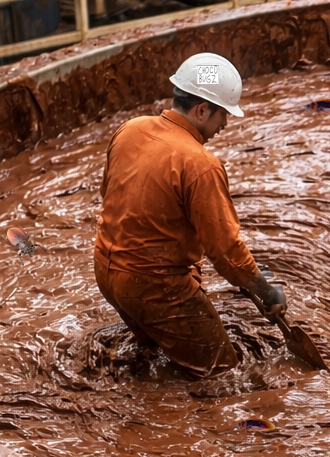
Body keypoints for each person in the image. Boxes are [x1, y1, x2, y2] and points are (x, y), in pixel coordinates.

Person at [93, 53, 288, 377]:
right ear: (201, 110)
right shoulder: (200, 163)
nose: (224, 125)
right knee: (221, 373)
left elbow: (110, 196)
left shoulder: (130, 129)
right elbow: (224, 250)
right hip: (154, 287)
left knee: (152, 353)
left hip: (106, 270)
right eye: (222, 115)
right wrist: (265, 291)